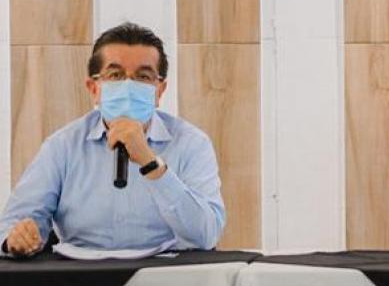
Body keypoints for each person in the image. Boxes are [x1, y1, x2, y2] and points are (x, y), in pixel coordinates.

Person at [0, 23, 226, 256]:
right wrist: (16, 239)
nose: (129, 85)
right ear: (94, 88)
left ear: (160, 91)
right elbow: (11, 225)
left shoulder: (191, 143)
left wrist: (151, 163)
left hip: (163, 276)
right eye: (115, 75)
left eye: (143, 76)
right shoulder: (63, 146)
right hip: (80, 278)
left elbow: (206, 234)